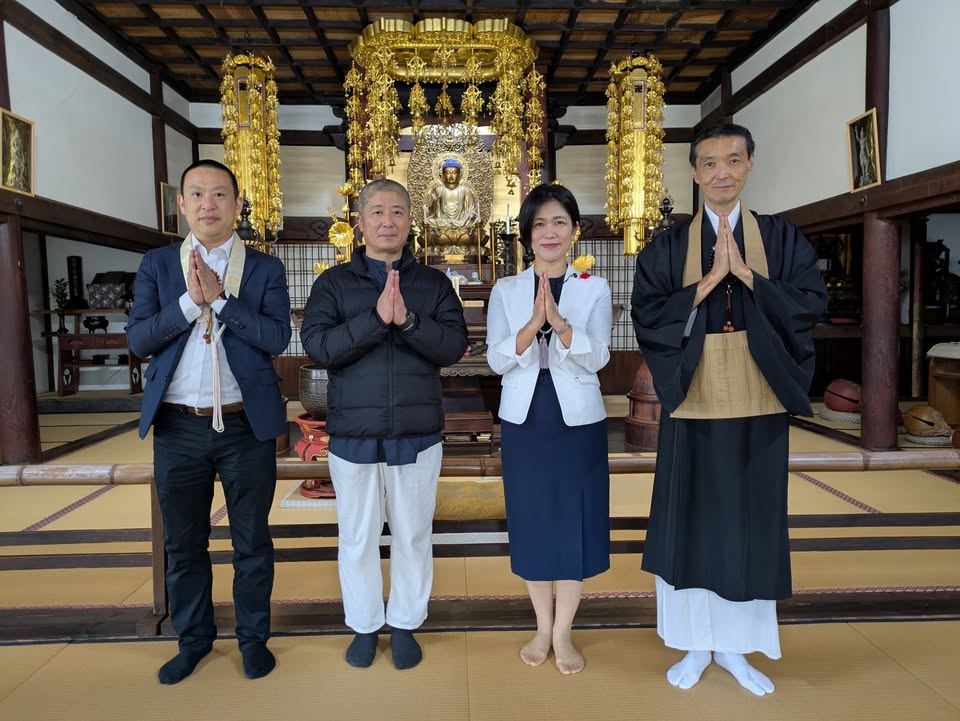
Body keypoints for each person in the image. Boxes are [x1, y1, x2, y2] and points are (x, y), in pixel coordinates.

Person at [631, 124, 827, 695]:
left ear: (750, 165)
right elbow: (647, 313)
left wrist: (746, 277)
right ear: (695, 172)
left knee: (752, 520)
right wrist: (705, 285)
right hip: (693, 390)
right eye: (710, 163)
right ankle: (695, 643)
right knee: (688, 518)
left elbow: (810, 303)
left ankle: (738, 648)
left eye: (734, 160)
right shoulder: (669, 246)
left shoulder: (781, 238)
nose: (722, 172)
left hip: (758, 389)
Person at [127, 159, 291, 684]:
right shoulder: (158, 264)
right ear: (181, 204)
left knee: (252, 541)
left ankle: (253, 640)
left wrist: (220, 300)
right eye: (196, 194)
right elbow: (139, 339)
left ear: (238, 204)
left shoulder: (263, 268)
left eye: (220, 194)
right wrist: (187, 303)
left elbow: (277, 337)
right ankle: (193, 640)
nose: (208, 204)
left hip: (245, 426)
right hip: (178, 426)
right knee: (183, 543)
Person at [300, 178, 467, 669]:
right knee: (358, 536)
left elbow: (452, 347)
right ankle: (365, 624)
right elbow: (320, 347)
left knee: (413, 534)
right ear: (360, 222)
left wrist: (408, 321)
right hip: (353, 434)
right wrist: (376, 319)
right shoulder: (333, 284)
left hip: (416, 432)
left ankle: (407, 622)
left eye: (397, 212)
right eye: (377, 212)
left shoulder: (434, 284)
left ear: (410, 221)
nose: (387, 221)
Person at [486, 183, 612, 675]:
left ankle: (564, 632)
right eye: (539, 224)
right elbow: (497, 359)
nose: (550, 232)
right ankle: (542, 626)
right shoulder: (506, 289)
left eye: (560, 222)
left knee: (576, 520)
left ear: (574, 230)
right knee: (533, 520)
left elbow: (599, 356)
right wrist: (529, 326)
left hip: (577, 420)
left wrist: (560, 325)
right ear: (527, 235)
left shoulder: (593, 287)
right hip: (526, 418)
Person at [423, 157, 482, 248]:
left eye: (454, 173)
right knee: (429, 223)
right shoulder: (439, 190)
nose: (451, 176)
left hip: (462, 223)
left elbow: (471, 210)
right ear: (443, 175)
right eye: (448, 173)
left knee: (474, 230)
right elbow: (434, 213)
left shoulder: (465, 190)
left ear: (459, 174)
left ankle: (445, 240)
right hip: (443, 223)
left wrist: (471, 215)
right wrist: (434, 201)